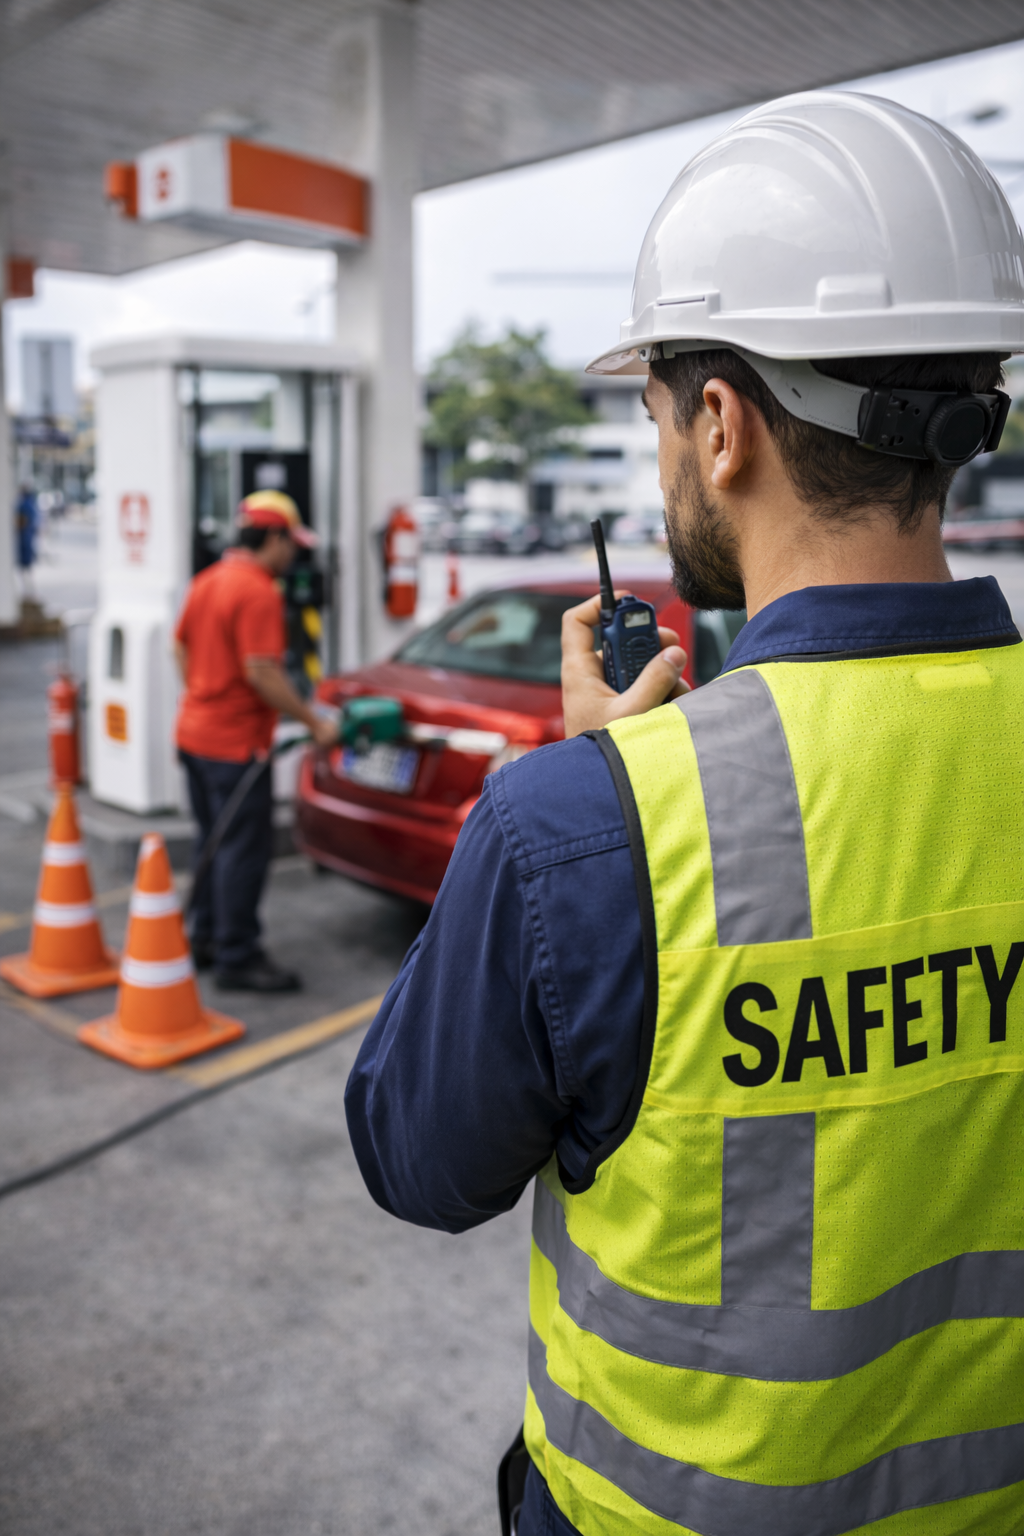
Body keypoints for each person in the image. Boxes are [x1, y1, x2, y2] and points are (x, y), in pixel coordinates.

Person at [344, 92, 1024, 1536]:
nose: (660, 458)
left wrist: (596, 804)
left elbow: (417, 1159)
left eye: (655, 414)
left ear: (721, 426)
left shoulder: (580, 832)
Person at [174, 490, 336, 992]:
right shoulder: (259, 590)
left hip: (194, 736)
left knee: (212, 841)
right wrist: (314, 722)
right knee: (242, 852)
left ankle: (205, 939)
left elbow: (179, 647)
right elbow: (262, 672)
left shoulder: (208, 580)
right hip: (236, 746)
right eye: (292, 545)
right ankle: (237, 956)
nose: (294, 556)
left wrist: (205, 691)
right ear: (275, 538)